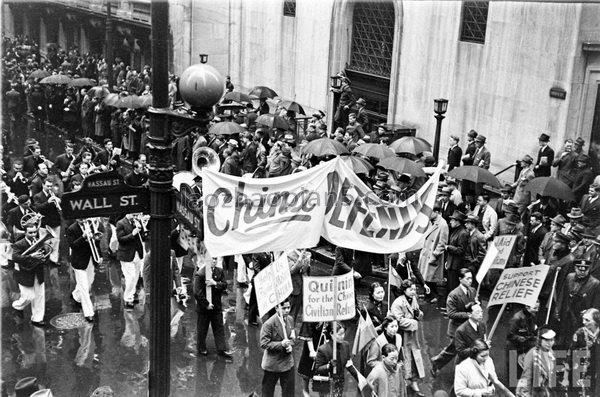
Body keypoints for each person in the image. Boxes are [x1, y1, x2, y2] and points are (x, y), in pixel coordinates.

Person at [430, 268, 476, 376]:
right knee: (455, 351)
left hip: (468, 328)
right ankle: (438, 363)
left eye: (471, 278)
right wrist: (469, 315)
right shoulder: (453, 295)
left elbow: (472, 304)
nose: (470, 281)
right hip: (457, 329)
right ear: (460, 279)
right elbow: (451, 314)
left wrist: (475, 306)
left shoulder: (472, 291)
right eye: (467, 278)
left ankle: (442, 364)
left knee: (456, 351)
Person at [192, 256, 233, 359]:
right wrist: (206, 304)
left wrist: (215, 283)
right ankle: (201, 348)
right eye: (212, 259)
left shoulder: (219, 271)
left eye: (215, 259)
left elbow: (224, 285)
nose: (214, 261)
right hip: (204, 308)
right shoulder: (200, 274)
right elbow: (197, 292)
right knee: (202, 328)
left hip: (216, 306)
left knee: (219, 327)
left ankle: (221, 349)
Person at [391, 279, 425, 396]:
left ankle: (414, 381)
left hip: (413, 335)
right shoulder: (398, 303)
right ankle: (404, 381)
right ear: (404, 290)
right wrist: (414, 322)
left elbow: (418, 312)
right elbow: (398, 320)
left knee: (415, 357)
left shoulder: (414, 299)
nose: (413, 292)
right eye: (411, 289)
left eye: (415, 289)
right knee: (404, 357)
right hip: (403, 335)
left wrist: (419, 314)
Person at [555, 259, 600, 348]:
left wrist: (589, 315)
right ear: (575, 268)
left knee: (579, 342)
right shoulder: (569, 277)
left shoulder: (595, 283)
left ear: (589, 270)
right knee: (562, 339)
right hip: (566, 314)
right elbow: (562, 295)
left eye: (585, 270)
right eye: (580, 270)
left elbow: (596, 304)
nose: (582, 272)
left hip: (581, 318)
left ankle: (576, 361)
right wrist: (557, 309)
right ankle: (561, 360)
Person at [65, 218, 103, 322]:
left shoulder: (92, 225)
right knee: (85, 287)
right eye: (80, 218)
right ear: (76, 219)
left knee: (89, 283)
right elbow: (73, 245)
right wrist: (83, 236)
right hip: (78, 260)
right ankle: (89, 312)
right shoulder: (71, 229)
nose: (83, 220)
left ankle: (76, 296)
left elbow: (97, 242)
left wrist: (100, 255)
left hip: (91, 259)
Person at [314, 321, 365, 397]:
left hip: (340, 382)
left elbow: (348, 364)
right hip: (326, 384)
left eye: (343, 333)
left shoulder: (346, 345)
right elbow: (317, 369)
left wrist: (359, 378)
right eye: (339, 334)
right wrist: (329, 366)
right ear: (331, 334)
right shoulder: (323, 349)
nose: (342, 336)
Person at [11, 223, 47, 327]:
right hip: (25, 273)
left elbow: (45, 255)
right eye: (30, 233)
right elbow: (15, 257)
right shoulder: (19, 244)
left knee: (40, 296)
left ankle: (37, 319)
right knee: (28, 296)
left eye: (35, 232)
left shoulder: (39, 242)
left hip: (38, 271)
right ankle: (17, 306)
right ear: (25, 233)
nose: (33, 235)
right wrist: (31, 256)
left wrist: (44, 258)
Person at [260, 299, 296, 397]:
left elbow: (293, 338)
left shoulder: (290, 319)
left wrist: (290, 346)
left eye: (288, 307)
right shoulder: (268, 324)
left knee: (289, 393)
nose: (287, 310)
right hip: (272, 364)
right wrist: (281, 344)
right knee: (267, 392)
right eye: (284, 308)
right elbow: (264, 343)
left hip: (287, 362)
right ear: (277, 308)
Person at [417, 203, 448, 304]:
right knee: (426, 277)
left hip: (433, 255)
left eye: (431, 212)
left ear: (437, 212)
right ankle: (427, 294)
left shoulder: (443, 224)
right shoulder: (430, 222)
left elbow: (442, 243)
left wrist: (435, 255)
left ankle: (433, 295)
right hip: (426, 253)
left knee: (431, 278)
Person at [516, 327, 557, 397]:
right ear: (540, 340)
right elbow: (526, 376)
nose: (549, 343)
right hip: (532, 392)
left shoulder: (551, 354)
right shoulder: (532, 354)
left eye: (551, 340)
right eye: (546, 340)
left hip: (545, 392)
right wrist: (525, 394)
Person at [116, 213, 146, 310]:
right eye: (133, 214)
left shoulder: (137, 222)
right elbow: (121, 239)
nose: (135, 216)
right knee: (131, 276)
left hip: (137, 253)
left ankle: (132, 295)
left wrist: (143, 226)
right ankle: (128, 298)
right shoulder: (120, 223)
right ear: (127, 214)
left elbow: (143, 237)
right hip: (126, 254)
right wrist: (132, 233)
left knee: (136, 276)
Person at [569, 308, 600, 396]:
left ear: (596, 321)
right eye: (583, 319)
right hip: (581, 368)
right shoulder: (580, 333)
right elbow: (571, 351)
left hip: (596, 368)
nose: (583, 322)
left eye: (587, 320)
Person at [507, 302, 539, 377]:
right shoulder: (517, 318)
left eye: (538, 308)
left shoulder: (532, 315)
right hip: (515, 347)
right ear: (527, 307)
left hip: (526, 347)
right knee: (514, 374)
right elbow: (510, 335)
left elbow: (531, 331)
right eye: (535, 308)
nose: (537, 310)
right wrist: (521, 338)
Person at [297, 321, 326, 397]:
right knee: (306, 374)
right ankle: (306, 393)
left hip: (324, 346)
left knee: (324, 375)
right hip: (311, 346)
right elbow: (307, 333)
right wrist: (312, 350)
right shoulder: (310, 315)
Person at [445, 210, 469, 292]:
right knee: (450, 287)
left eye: (452, 220)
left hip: (456, 266)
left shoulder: (462, 233)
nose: (450, 222)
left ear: (458, 222)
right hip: (451, 264)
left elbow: (461, 250)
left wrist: (448, 247)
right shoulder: (455, 231)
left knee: (453, 287)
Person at [463, 215, 486, 280]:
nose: (465, 224)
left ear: (473, 224)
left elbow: (483, 253)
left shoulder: (480, 236)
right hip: (466, 262)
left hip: (473, 265)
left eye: (468, 223)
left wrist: (474, 262)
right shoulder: (467, 233)